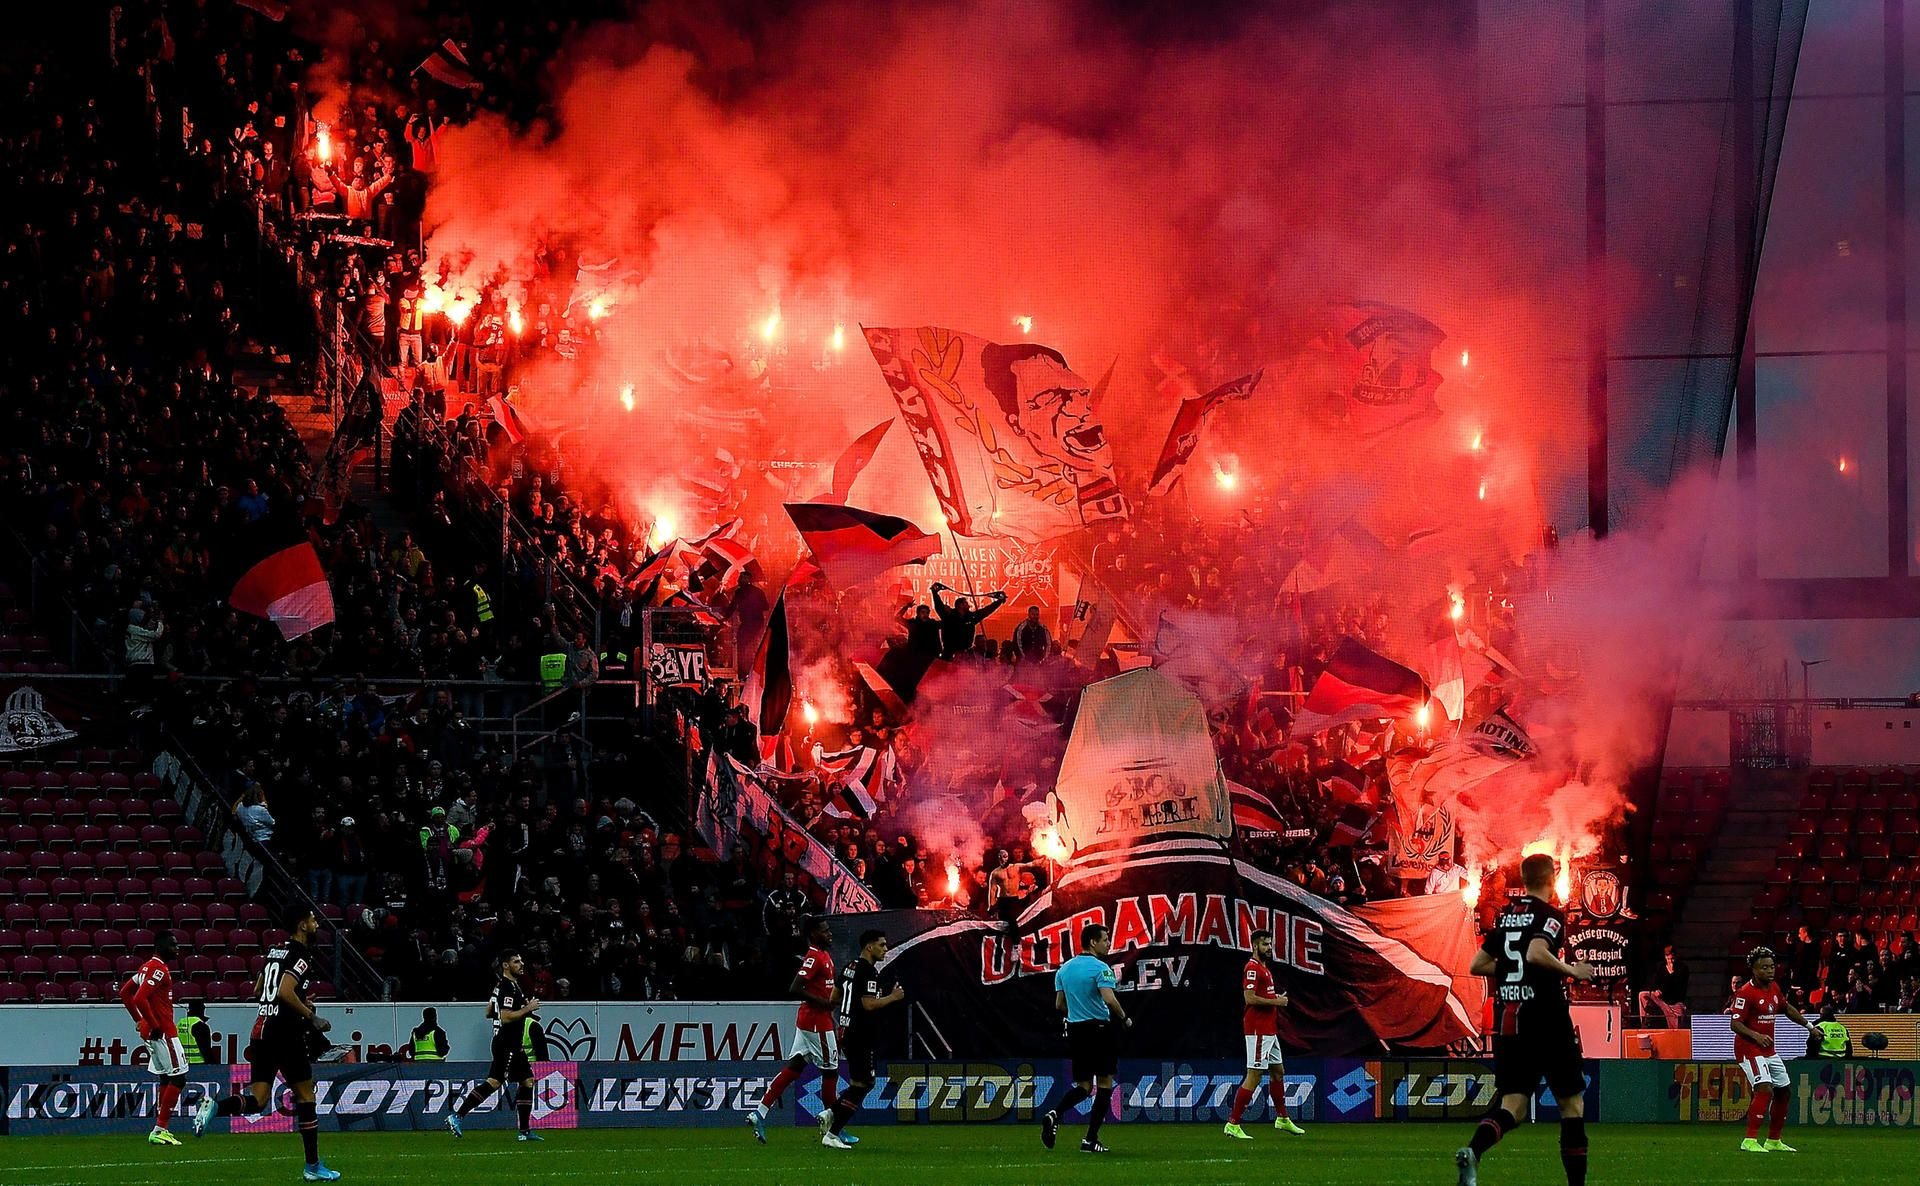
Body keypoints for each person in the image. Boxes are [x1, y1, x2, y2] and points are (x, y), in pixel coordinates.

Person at [1454, 853, 1594, 1186]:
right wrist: (1572, 970)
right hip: (1547, 1021)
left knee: (1513, 1107)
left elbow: (1478, 965)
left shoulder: (1505, 917)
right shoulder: (1550, 915)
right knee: (1571, 1106)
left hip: (1510, 1023)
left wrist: (1512, 975)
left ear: (1523, 879)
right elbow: (1534, 952)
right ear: (1550, 879)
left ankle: (1473, 1152)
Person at [195, 907, 340, 1182]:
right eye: (312, 919)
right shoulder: (301, 956)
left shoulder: (275, 952)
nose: (316, 923)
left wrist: (297, 999)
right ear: (302, 925)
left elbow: (259, 990)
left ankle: (216, 1107)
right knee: (306, 1097)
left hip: (261, 1030)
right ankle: (312, 1166)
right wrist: (311, 1015)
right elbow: (284, 991)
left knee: (258, 1100)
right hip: (285, 1033)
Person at [746, 916, 839, 1142]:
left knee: (794, 1068)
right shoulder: (814, 956)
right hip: (817, 1022)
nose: (830, 934)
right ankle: (833, 1129)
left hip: (810, 1020)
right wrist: (822, 1002)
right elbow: (795, 987)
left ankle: (760, 1112)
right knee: (831, 1070)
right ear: (814, 934)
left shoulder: (824, 955)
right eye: (825, 931)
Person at [1041, 923, 1130, 1154]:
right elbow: (1109, 999)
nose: (1108, 943)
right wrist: (1124, 1018)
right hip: (1100, 1030)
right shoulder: (1101, 968)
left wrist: (1076, 1012)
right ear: (1093, 942)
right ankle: (1090, 1139)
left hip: (1077, 1031)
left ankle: (1055, 1113)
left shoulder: (1064, 969)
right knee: (1104, 1084)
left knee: (1083, 1086)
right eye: (1105, 939)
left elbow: (1059, 1004)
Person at [819, 929, 906, 1150]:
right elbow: (868, 1005)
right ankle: (832, 1132)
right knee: (864, 1083)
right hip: (860, 1033)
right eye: (882, 944)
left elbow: (834, 997)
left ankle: (831, 1113)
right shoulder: (867, 971)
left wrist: (849, 1010)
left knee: (863, 1082)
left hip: (847, 1031)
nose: (885, 949)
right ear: (869, 946)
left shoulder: (850, 966)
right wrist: (892, 997)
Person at [446, 952, 542, 1141]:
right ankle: (457, 1116)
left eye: (521, 961)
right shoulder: (507, 986)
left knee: (527, 1081)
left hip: (513, 1044)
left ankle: (524, 1131)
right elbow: (505, 1017)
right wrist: (527, 1009)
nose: (521, 964)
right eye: (516, 962)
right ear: (506, 965)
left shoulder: (507, 986)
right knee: (495, 1082)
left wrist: (509, 1010)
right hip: (506, 1043)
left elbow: (489, 1011)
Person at [1223, 929, 1305, 1139]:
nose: (1269, 948)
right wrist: (1276, 1002)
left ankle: (1282, 1118)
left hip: (1270, 1029)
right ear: (1255, 946)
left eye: (1270, 944)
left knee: (1278, 1071)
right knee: (1255, 1074)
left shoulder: (1264, 969)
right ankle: (1233, 1123)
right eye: (1265, 944)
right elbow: (1249, 998)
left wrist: (1274, 997)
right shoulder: (1252, 968)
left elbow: (1261, 995)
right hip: (1258, 1029)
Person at [1730, 945, 1811, 1153]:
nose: (1770, 970)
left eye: (1772, 966)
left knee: (1784, 1092)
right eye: (1764, 967)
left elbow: (1787, 1008)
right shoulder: (1745, 993)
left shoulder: (1774, 987)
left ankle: (1773, 1141)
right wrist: (1756, 1035)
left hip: (1769, 1049)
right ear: (1754, 970)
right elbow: (1735, 1024)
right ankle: (1749, 1140)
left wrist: (1809, 1026)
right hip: (1749, 1049)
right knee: (1764, 1088)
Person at [120, 930, 187, 1147]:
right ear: (161, 947)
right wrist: (155, 1024)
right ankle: (160, 1128)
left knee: (166, 1078)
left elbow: (125, 993)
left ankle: (161, 1129)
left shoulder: (146, 967)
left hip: (153, 1033)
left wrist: (139, 1021)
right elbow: (139, 997)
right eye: (173, 945)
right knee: (179, 1078)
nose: (177, 949)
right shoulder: (159, 969)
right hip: (164, 1032)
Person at [930, 582, 1007, 659]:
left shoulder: (971, 617)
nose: (969, 605)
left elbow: (986, 611)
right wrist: (934, 592)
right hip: (949, 654)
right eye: (966, 603)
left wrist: (998, 602)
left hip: (965, 655)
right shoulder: (948, 616)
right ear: (960, 605)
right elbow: (939, 606)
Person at [1637, 945, 1690, 1028]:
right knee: (1643, 995)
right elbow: (1655, 982)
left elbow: (1677, 986)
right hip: (1662, 999)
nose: (1671, 961)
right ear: (1665, 957)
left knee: (1676, 1031)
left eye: (1672, 959)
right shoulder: (1661, 967)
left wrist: (1671, 971)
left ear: (1676, 957)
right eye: (1668, 959)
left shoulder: (1683, 969)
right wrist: (1656, 990)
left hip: (1675, 1003)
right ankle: (1646, 1021)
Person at [178, 998, 215, 1066]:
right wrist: (212, 1064)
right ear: (202, 1009)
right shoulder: (200, 1025)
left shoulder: (179, 1023)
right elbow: (205, 1048)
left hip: (182, 1063)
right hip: (198, 1063)